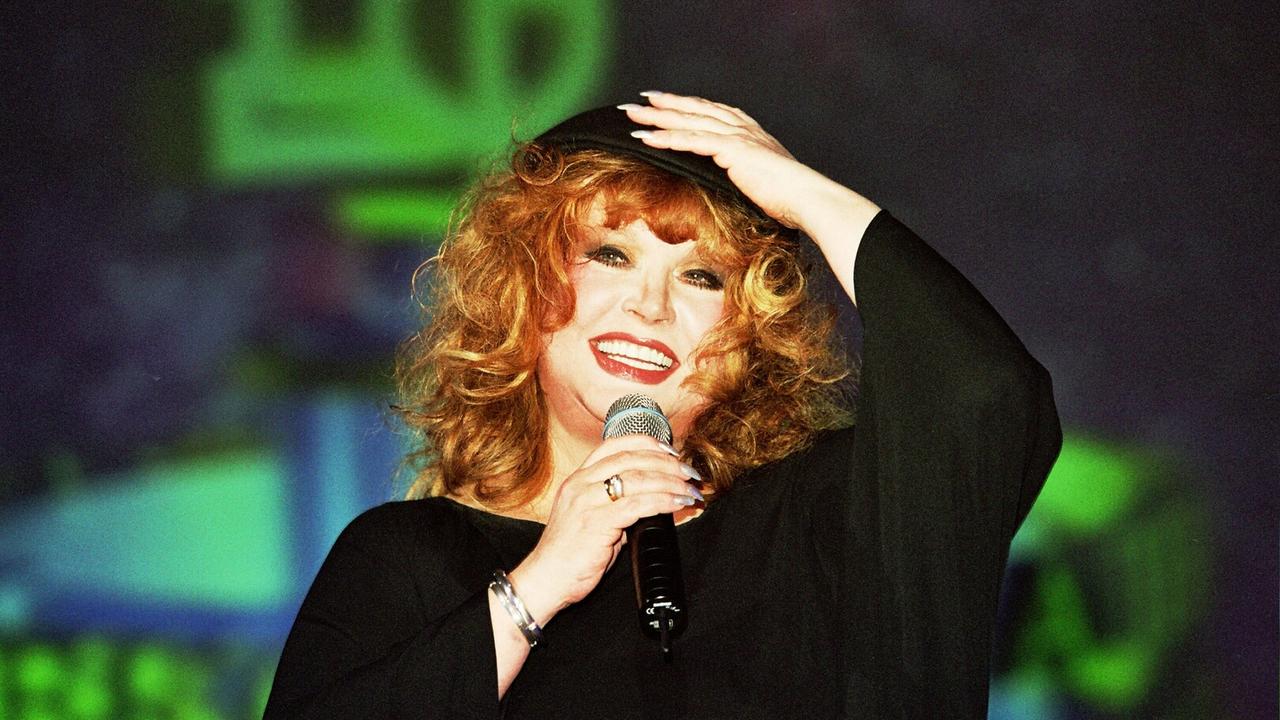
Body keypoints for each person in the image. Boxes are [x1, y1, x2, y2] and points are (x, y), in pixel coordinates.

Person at [263, 92, 1062, 719]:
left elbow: (984, 400)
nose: (649, 306)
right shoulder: (407, 561)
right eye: (611, 254)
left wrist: (801, 194)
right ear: (527, 288)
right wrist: (535, 589)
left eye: (701, 276)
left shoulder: (817, 521)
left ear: (749, 331)